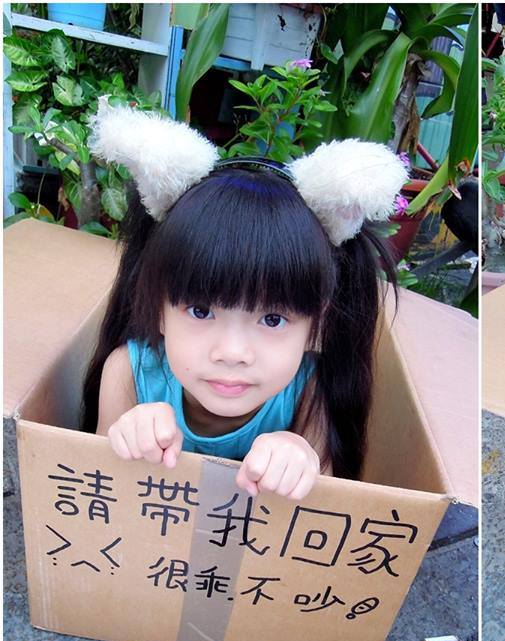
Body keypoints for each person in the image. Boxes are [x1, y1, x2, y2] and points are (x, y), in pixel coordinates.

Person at [80, 97, 408, 501]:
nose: (232, 353)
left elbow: (322, 513)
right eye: (201, 311)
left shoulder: (308, 390)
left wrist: (299, 454)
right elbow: (95, 492)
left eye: (272, 319)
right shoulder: (129, 373)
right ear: (158, 308)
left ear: (317, 326)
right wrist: (126, 439)